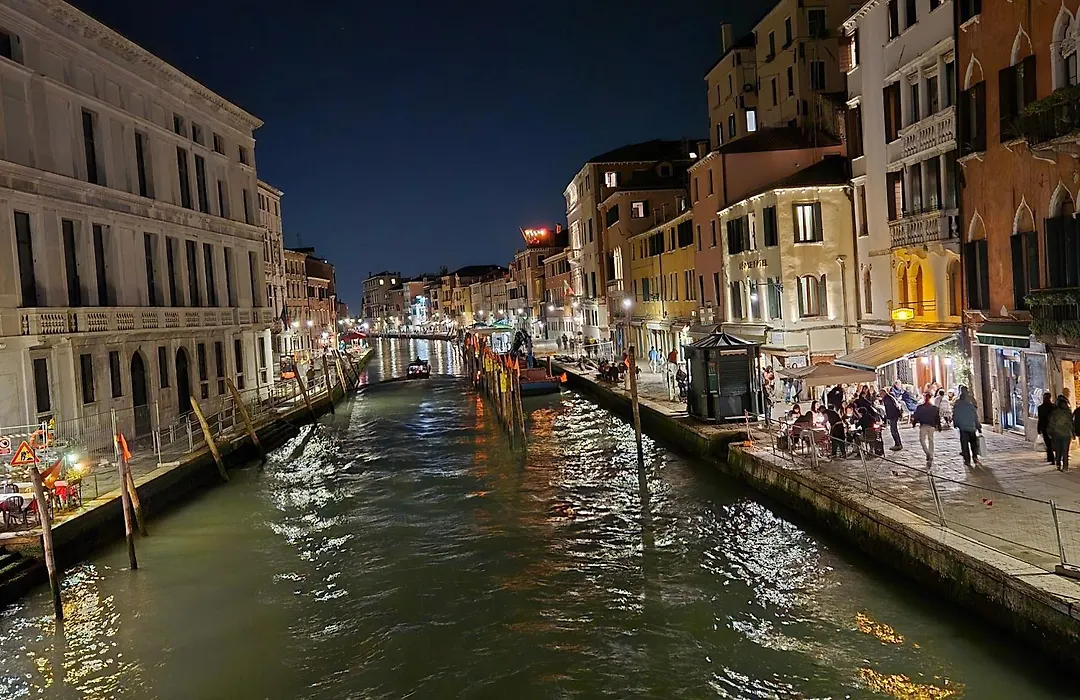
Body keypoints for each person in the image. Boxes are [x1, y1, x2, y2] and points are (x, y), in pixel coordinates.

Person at [911, 393, 942, 467]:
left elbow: (916, 416)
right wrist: (939, 425)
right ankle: (931, 454)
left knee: (922, 440)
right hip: (932, 425)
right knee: (931, 440)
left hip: (924, 425)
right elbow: (937, 418)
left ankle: (927, 453)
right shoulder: (934, 408)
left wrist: (914, 423)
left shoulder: (920, 408)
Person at [953, 387, 981, 467]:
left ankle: (967, 460)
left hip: (963, 428)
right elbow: (975, 417)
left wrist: (956, 424)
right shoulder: (970, 405)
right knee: (973, 443)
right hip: (972, 427)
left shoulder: (957, 405)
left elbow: (955, 416)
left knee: (964, 445)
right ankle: (975, 457)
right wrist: (978, 426)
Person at [1049, 395, 1075, 471]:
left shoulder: (1054, 413)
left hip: (1057, 434)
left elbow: (1051, 424)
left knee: (1058, 450)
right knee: (1065, 451)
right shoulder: (1068, 413)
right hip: (1066, 434)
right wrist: (1073, 433)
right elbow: (1071, 424)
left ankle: (1058, 464)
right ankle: (1065, 466)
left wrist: (1050, 432)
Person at [1037, 392, 1057, 465]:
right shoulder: (1054, 407)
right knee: (1054, 443)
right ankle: (1055, 458)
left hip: (1045, 428)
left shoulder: (1040, 408)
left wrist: (1039, 429)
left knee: (1048, 444)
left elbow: (1040, 419)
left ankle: (1050, 458)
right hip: (1053, 428)